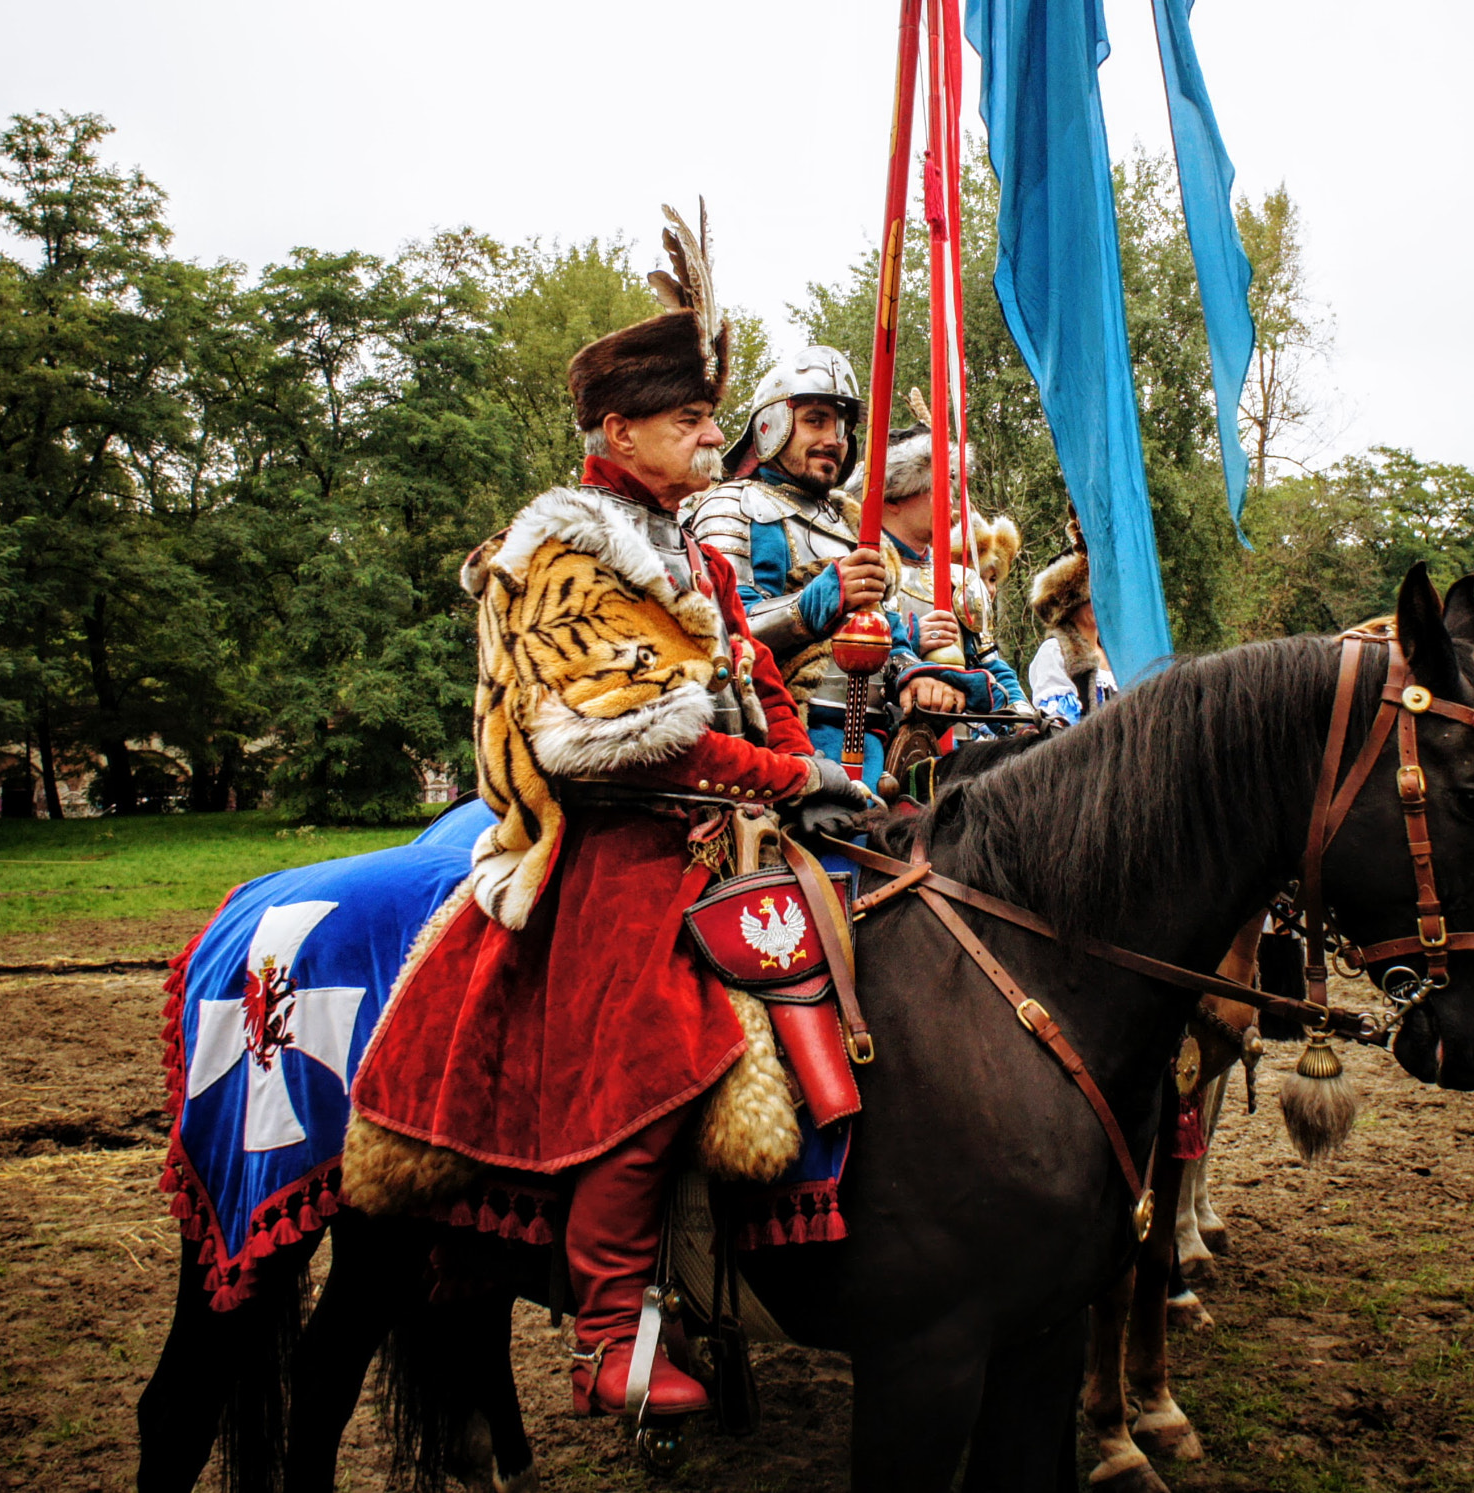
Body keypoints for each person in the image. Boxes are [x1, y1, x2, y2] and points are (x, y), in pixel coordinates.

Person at [348, 213, 870, 1427]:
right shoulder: (563, 550)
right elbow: (629, 736)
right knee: (660, 1042)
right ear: (618, 430)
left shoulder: (692, 546)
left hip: (728, 818)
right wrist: (781, 776)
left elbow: (753, 679)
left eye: (711, 414)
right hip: (616, 837)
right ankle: (606, 1332)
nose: (712, 433)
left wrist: (809, 765)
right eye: (688, 416)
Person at [686, 350, 965, 783]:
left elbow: (883, 629)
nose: (834, 439)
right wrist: (823, 597)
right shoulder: (737, 505)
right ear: (771, 425)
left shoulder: (852, 523)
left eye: (842, 427)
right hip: (782, 737)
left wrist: (913, 675)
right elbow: (722, 632)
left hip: (876, 741)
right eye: (815, 421)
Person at [857, 417, 1034, 725]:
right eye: (934, 484)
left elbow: (990, 664)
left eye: (949, 481)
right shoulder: (860, 567)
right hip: (873, 729)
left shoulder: (960, 580)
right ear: (893, 496)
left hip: (957, 740)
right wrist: (913, 640)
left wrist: (1021, 717)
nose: (948, 496)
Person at [1027, 521, 1117, 726]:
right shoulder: (1055, 651)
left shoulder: (1116, 652)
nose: (1099, 602)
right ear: (1070, 604)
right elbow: (1062, 728)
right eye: (1089, 596)